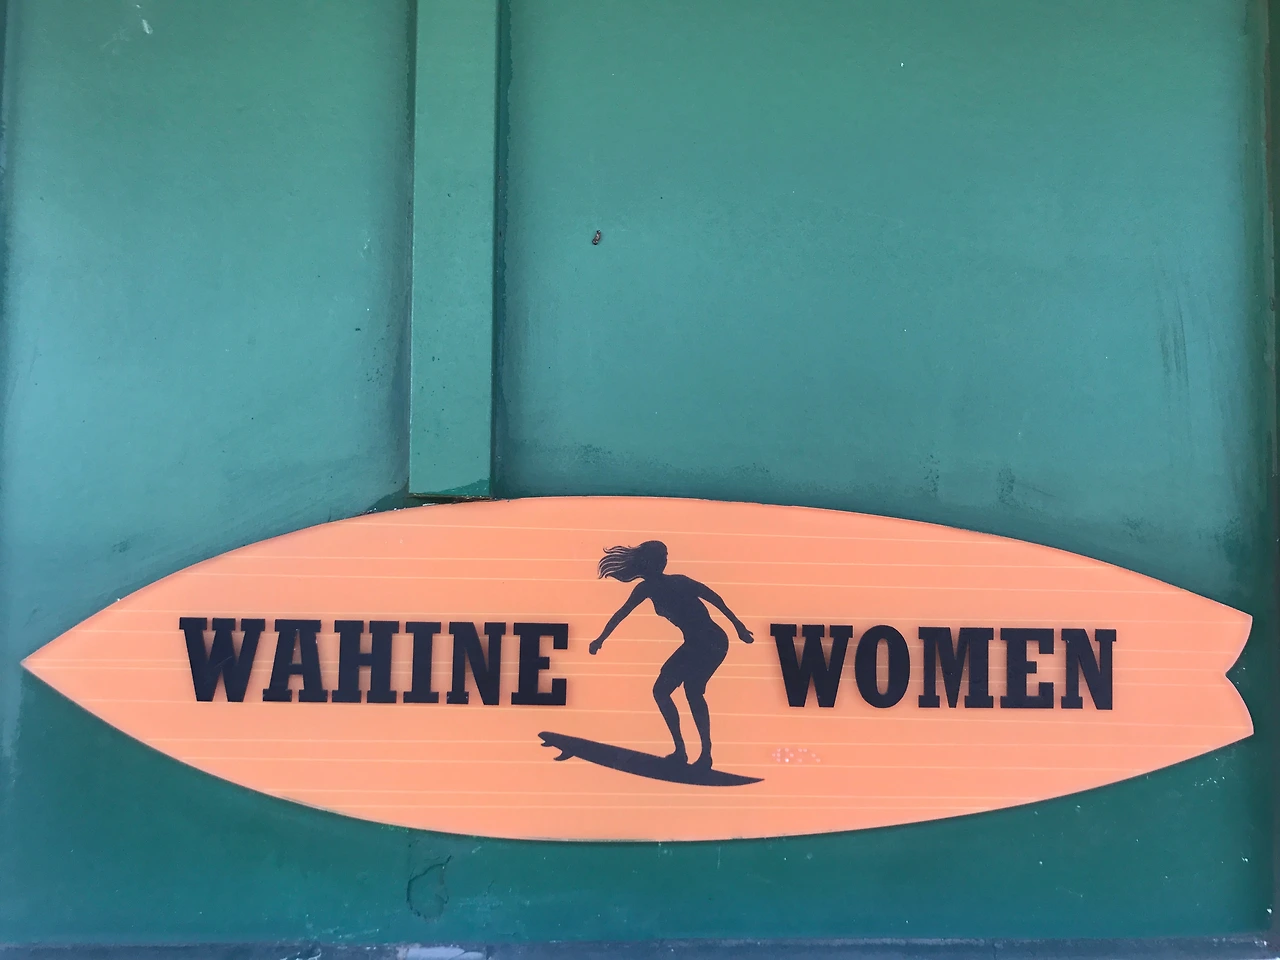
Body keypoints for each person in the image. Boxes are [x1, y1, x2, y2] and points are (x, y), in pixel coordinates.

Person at [590, 541, 753, 769]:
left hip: (712, 641)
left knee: (692, 692)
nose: (665, 561)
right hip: (694, 644)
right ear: (648, 562)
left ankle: (705, 754)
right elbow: (621, 614)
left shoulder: (680, 581)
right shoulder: (645, 589)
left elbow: (715, 599)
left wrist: (739, 627)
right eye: (661, 557)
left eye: (665, 557)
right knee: (662, 691)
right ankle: (681, 751)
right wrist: (600, 639)